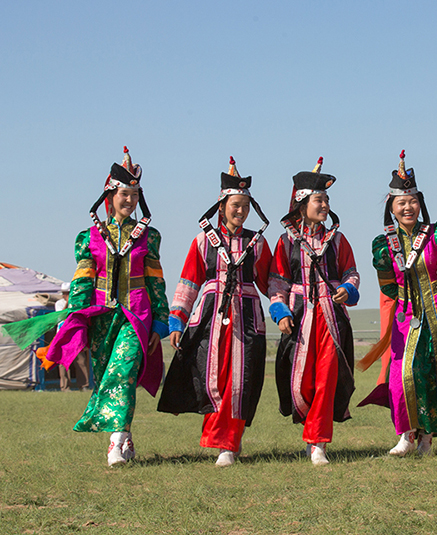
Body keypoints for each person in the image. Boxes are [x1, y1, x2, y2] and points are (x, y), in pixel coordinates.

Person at [7, 147, 169, 466]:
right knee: (109, 376)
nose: (131, 201)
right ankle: (125, 433)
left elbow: (156, 282)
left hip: (136, 316)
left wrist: (161, 321)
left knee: (122, 373)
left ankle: (115, 444)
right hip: (100, 318)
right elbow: (82, 281)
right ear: (110, 195)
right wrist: (75, 317)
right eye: (125, 194)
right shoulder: (89, 238)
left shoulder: (148, 238)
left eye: (136, 195)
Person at [157, 157, 272, 467]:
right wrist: (177, 319)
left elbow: (270, 282)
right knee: (212, 380)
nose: (241, 211)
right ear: (222, 206)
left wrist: (282, 306)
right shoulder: (203, 241)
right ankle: (219, 438)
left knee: (240, 380)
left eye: (245, 206)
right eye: (235, 205)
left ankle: (229, 444)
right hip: (209, 319)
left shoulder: (257, 244)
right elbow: (188, 282)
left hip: (247, 319)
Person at [358, 150, 437, 456]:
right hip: (406, 317)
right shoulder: (383, 242)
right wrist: (404, 303)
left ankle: (427, 437)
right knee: (401, 376)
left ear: (420, 202)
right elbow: (386, 285)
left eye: (412, 201)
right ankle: (405, 433)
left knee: (430, 375)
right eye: (401, 203)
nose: (408, 207)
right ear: (392, 206)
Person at [269, 157, 360, 466]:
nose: (324, 205)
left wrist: (347, 289)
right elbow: (277, 282)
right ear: (302, 203)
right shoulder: (285, 243)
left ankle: (318, 442)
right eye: (319, 199)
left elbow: (352, 273)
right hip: (299, 320)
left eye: (326, 200)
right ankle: (311, 432)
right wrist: (279, 310)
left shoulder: (337, 240)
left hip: (332, 320)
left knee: (326, 379)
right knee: (303, 382)